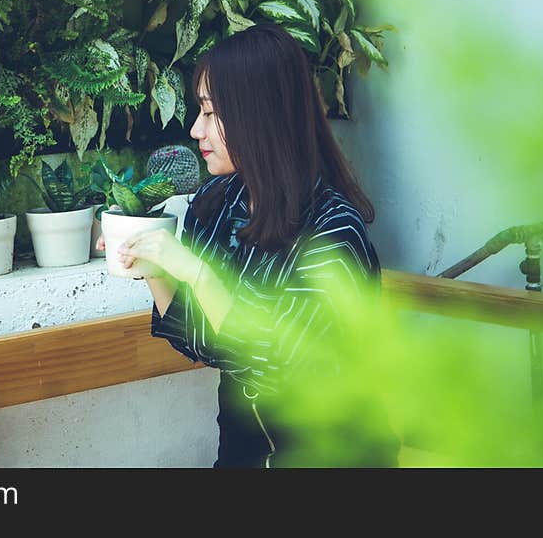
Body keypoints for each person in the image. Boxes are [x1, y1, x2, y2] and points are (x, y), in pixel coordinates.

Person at [96, 24, 399, 467]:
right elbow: (203, 341)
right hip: (244, 452)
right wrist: (152, 266)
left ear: (260, 114)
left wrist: (197, 272)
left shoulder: (333, 230)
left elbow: (278, 358)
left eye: (210, 112)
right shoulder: (216, 203)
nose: (196, 130)